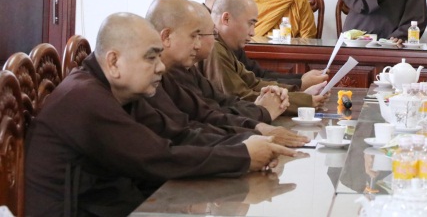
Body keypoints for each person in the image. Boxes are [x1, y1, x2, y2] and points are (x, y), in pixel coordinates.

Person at [24, 13, 298, 216]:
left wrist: (250, 143)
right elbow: (157, 158)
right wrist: (243, 156)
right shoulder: (84, 98)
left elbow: (179, 135)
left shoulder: (121, 92)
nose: (160, 68)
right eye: (150, 57)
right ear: (113, 61)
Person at [146, 0, 307, 147]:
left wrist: (258, 124)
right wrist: (254, 130)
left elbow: (215, 108)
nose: (198, 44)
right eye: (195, 35)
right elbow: (184, 134)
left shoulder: (176, 71)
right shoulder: (154, 79)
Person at [200, 0, 329, 114]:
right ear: (226, 19)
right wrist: (303, 102)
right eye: (250, 24)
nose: (253, 32)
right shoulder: (214, 49)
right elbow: (243, 98)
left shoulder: (224, 46)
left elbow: (254, 83)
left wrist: (302, 94)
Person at [204, 0, 327, 89]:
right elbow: (240, 94)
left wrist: (301, 80)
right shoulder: (208, 37)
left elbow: (256, 76)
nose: (252, 32)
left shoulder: (227, 32)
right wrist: (300, 86)